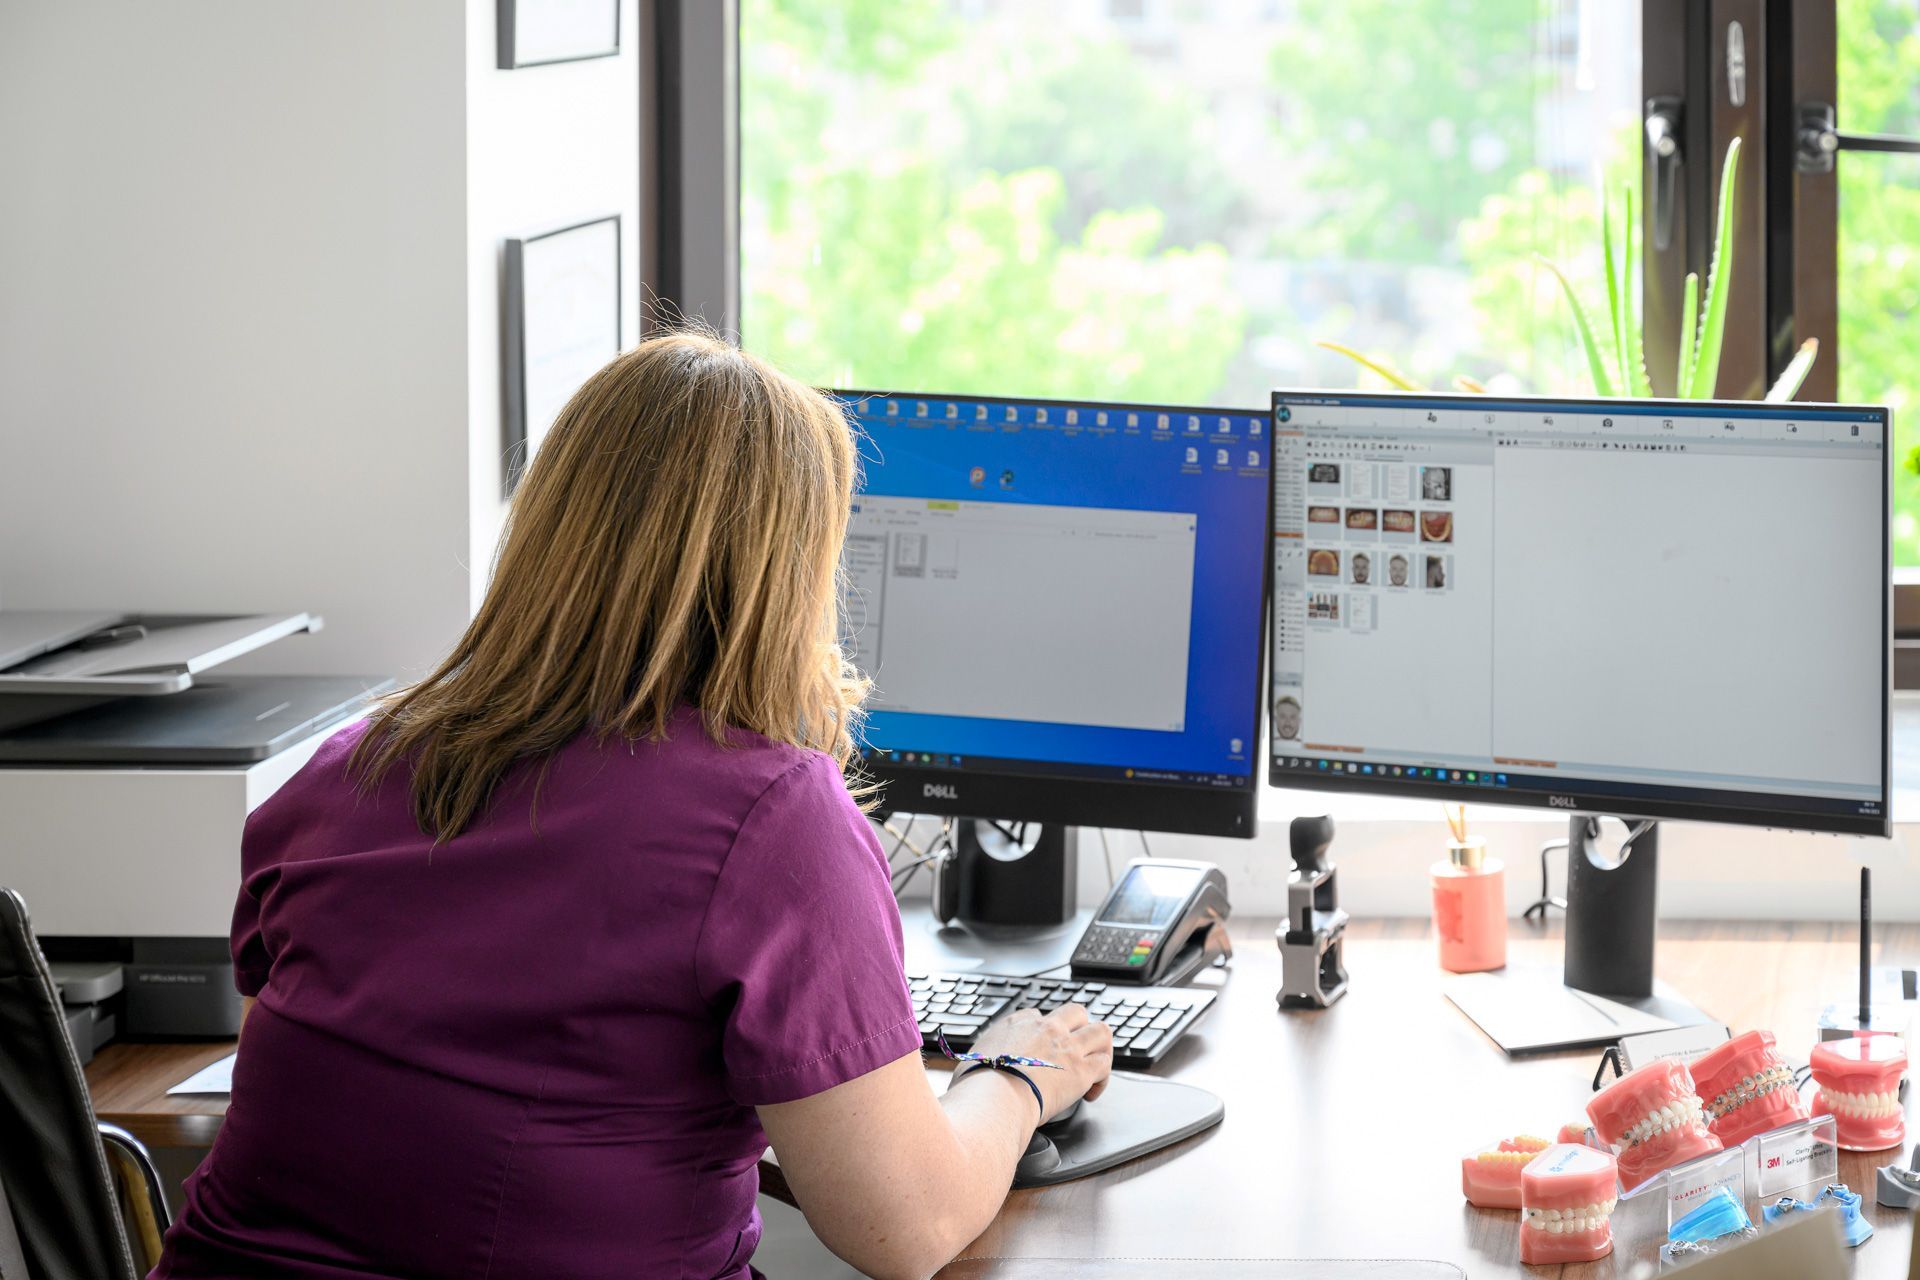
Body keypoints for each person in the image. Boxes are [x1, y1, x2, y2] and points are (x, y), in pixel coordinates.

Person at [150, 334, 1113, 1280]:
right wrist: (1017, 1075)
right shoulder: (771, 817)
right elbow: (907, 1230)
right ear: (788, 579)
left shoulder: (348, 767)